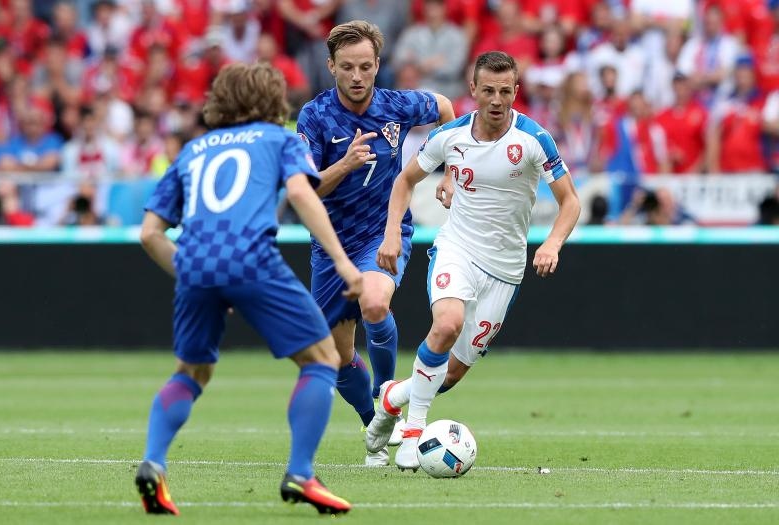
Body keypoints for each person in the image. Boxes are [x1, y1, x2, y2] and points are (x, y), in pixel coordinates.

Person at [135, 63, 361, 516]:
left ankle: (153, 464)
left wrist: (199, 274)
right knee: (322, 358)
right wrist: (342, 262)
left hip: (195, 263)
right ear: (271, 100)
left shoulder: (193, 150)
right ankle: (301, 472)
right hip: (251, 257)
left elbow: (149, 233)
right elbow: (300, 194)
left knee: (191, 371)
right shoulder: (278, 139)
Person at [366, 51, 581, 470]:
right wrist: (391, 231)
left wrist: (554, 241)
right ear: (473, 91)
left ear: (516, 92)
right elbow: (405, 180)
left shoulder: (535, 139)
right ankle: (412, 433)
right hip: (458, 249)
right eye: (488, 91)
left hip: (505, 269)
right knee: (446, 324)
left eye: (505, 92)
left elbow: (569, 200)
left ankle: (391, 397)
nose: (497, 100)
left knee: (448, 376)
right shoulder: (450, 136)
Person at [295, 19, 455, 467]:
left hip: (383, 232)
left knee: (375, 303)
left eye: (366, 66)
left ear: (377, 65)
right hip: (330, 245)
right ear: (332, 67)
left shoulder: (397, 104)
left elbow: (446, 108)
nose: (358, 75)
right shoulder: (314, 117)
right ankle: (374, 423)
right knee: (336, 355)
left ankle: (389, 403)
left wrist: (451, 173)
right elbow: (305, 191)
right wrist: (344, 164)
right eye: (348, 67)